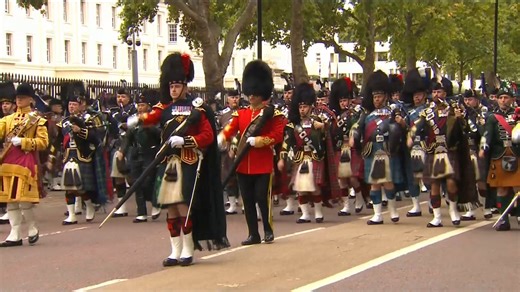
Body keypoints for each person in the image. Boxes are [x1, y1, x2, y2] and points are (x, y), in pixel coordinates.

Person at [152, 52, 228, 267]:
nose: (173, 90)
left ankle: (188, 249)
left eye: (177, 86)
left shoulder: (197, 108)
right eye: (171, 86)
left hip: (189, 161)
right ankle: (174, 250)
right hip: (169, 162)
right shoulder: (165, 111)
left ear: (185, 86)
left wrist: (185, 141)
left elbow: (207, 136)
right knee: (171, 207)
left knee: (184, 205)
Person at [218, 60, 286, 245]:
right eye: (251, 93)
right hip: (242, 164)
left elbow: (277, 135)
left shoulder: (272, 114)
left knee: (262, 198)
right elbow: (231, 128)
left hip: (262, 164)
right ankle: (253, 234)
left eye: (255, 94)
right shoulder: (241, 114)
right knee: (247, 201)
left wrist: (259, 141)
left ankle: (268, 229)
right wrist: (222, 137)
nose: (252, 97)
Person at [408, 77, 478, 227]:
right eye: (434, 91)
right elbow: (417, 126)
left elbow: (466, 129)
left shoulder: (454, 109)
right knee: (434, 184)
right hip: (433, 151)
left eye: (439, 91)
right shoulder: (427, 112)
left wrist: (460, 119)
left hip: (450, 150)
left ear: (445, 93)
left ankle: (453, 211)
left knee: (451, 182)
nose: (436, 94)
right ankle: (437, 217)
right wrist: (411, 135)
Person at [350, 70, 406, 225]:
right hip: (372, 150)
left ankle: (393, 210)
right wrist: (353, 137)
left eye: (379, 97)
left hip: (387, 149)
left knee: (388, 182)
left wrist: (401, 123)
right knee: (374, 183)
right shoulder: (367, 115)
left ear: (386, 97)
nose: (376, 100)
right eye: (374, 97)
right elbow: (357, 129)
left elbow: (401, 129)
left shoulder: (392, 113)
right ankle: (377, 214)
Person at [0, 83, 49, 247]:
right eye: (17, 98)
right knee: (10, 200)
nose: (19, 100)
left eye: (22, 98)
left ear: (30, 99)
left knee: (23, 199)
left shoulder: (37, 120)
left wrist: (23, 141)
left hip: (25, 162)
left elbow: (43, 143)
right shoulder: (7, 120)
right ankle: (14, 234)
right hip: (7, 161)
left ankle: (32, 228)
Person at [58, 82, 108, 225]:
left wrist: (81, 131)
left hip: (85, 154)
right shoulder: (65, 120)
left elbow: (98, 136)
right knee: (69, 186)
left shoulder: (93, 118)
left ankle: (90, 206)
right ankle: (72, 214)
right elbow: (59, 139)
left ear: (83, 104)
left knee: (82, 187)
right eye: (70, 104)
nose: (72, 107)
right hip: (69, 155)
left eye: (75, 104)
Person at [281, 82, 327, 223]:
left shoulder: (319, 121)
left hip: (315, 157)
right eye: (300, 107)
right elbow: (286, 142)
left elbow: (328, 137)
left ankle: (318, 213)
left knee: (314, 187)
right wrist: (282, 158)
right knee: (300, 188)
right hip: (300, 158)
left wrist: (324, 127)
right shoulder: (293, 125)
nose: (302, 110)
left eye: (305, 106)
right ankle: (305, 214)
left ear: (311, 106)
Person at [480, 88, 520, 231]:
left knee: (518, 187)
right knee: (502, 188)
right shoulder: (492, 117)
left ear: (512, 99)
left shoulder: (518, 114)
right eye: (501, 97)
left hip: (517, 153)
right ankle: (504, 218)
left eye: (506, 97)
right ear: (497, 99)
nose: (503, 100)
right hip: (499, 154)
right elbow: (487, 133)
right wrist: (483, 146)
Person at [120, 89, 162, 223]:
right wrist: (122, 151)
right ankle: (141, 212)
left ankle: (156, 204)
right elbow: (128, 137)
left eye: (142, 105)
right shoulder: (134, 119)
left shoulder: (155, 118)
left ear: (148, 106)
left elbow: (160, 135)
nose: (140, 107)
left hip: (150, 153)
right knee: (136, 183)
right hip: (136, 154)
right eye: (138, 105)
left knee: (148, 182)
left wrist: (149, 125)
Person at [329, 77, 366, 216]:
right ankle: (346, 206)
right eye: (341, 101)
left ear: (350, 100)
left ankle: (359, 198)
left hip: (353, 148)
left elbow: (359, 128)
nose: (343, 103)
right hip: (341, 148)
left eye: (345, 100)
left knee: (353, 178)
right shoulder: (335, 117)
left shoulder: (356, 114)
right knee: (341, 179)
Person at [401, 68, 430, 217]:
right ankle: (415, 205)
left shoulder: (430, 110)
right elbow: (406, 127)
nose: (416, 98)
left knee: (427, 176)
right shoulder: (409, 112)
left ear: (424, 95)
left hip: (427, 145)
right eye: (414, 95)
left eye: (419, 95)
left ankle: (432, 202)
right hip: (412, 146)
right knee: (413, 177)